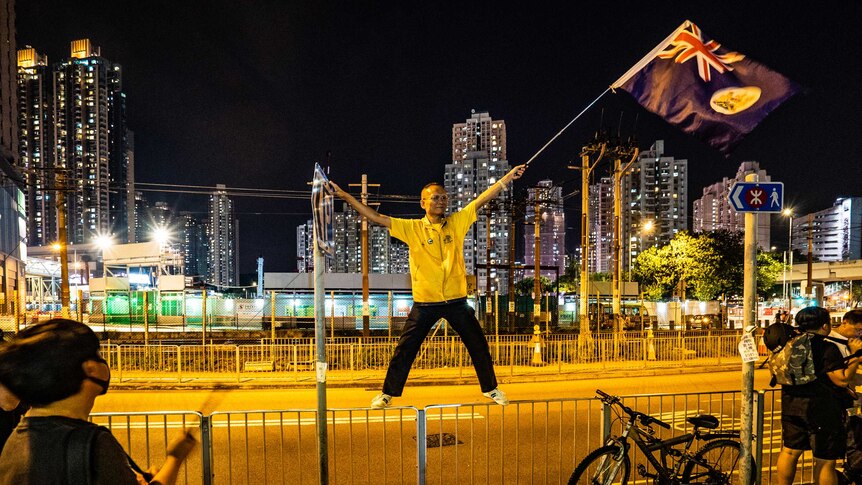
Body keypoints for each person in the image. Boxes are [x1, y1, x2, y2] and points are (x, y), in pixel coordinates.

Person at [330, 164, 527, 408]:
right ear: (423, 203)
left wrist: (508, 177)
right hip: (425, 304)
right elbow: (375, 217)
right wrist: (344, 196)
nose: (441, 201)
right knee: (405, 350)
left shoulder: (456, 222)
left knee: (478, 345)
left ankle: (491, 389)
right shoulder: (411, 228)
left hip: (456, 301)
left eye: (444, 197)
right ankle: (387, 394)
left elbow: (482, 199)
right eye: (435, 198)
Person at [0, 319, 197, 484]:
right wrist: (175, 458)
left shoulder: (15, 441)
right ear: (90, 369)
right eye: (99, 355)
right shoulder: (91, 444)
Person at [776, 306, 862, 485]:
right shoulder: (826, 347)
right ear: (824, 326)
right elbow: (842, 380)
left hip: (791, 406)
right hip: (821, 410)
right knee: (825, 461)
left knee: (790, 452)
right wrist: (854, 356)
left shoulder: (789, 344)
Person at [830, 309, 862, 483]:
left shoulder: (852, 342)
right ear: (844, 323)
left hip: (855, 399)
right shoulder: (833, 344)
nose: (859, 334)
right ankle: (849, 474)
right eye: (857, 330)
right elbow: (841, 377)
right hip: (845, 402)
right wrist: (854, 354)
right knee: (854, 439)